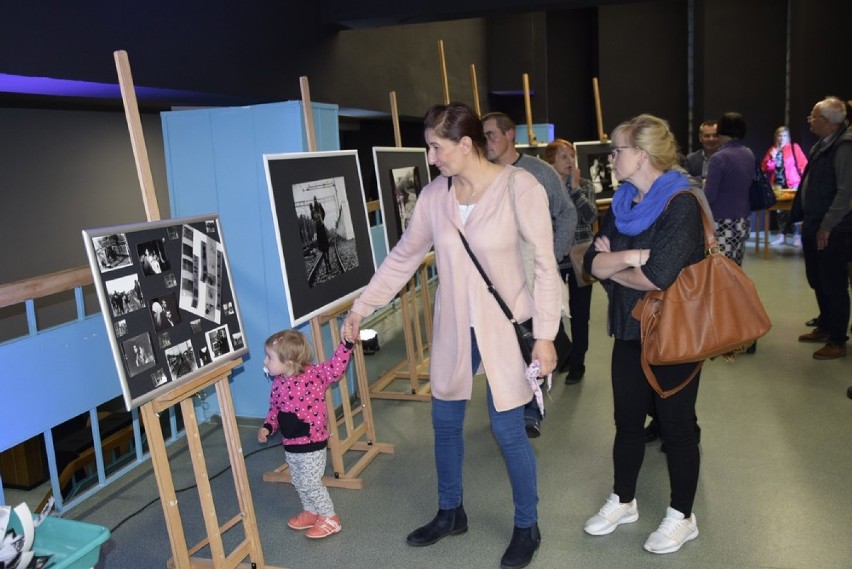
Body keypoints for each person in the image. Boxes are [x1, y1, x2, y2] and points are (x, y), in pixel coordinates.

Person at [341, 102, 561, 569]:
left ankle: (528, 525)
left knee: (507, 429)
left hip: (506, 326)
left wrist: (545, 335)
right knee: (445, 422)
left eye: (436, 148)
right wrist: (362, 306)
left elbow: (545, 266)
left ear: (466, 145)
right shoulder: (433, 197)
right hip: (454, 327)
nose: (432, 157)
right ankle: (451, 512)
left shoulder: (520, 188)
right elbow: (404, 256)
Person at [582, 114, 705, 554]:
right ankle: (624, 499)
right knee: (627, 422)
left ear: (642, 154)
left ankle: (682, 515)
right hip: (628, 331)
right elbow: (588, 265)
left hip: (674, 335)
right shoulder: (623, 205)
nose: (610, 158)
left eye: (617, 150)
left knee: (676, 428)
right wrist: (629, 256)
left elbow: (657, 276)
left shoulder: (682, 204)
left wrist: (616, 263)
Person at [481, 111, 577, 437]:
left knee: (531, 341)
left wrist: (553, 255)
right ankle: (506, 405)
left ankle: (530, 412)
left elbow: (566, 212)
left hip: (532, 280)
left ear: (510, 135)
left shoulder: (539, 172)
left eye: (491, 134)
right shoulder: (482, 173)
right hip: (495, 283)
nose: (486, 142)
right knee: (503, 346)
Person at [257, 329, 354, 539]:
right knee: (299, 481)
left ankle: (330, 517)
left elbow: (336, 368)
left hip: (312, 443)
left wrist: (345, 346)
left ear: (289, 362)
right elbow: (274, 410)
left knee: (310, 482)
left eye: (269, 357)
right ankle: (311, 511)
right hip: (291, 445)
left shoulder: (314, 375)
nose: (265, 361)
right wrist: (268, 427)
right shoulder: (278, 383)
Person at [794, 96, 852, 360]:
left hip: (834, 228)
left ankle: (838, 339)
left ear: (828, 122)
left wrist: (826, 225)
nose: (809, 120)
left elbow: (846, 193)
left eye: (813, 116)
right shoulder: (824, 144)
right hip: (816, 222)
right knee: (817, 278)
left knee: (833, 283)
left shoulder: (844, 147)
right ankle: (825, 325)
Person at [542, 138, 598, 383]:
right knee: (551, 312)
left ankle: (578, 363)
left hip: (580, 259)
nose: (570, 161)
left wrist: (574, 190)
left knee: (580, 313)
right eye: (563, 157)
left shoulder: (584, 185)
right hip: (554, 259)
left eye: (571, 156)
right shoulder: (543, 188)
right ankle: (564, 354)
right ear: (550, 162)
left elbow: (589, 217)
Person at [703, 112, 754, 267]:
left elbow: (709, 196)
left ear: (721, 132)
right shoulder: (748, 153)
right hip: (743, 220)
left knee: (720, 269)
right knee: (735, 267)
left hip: (722, 221)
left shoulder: (719, 158)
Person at [762, 126, 808, 246]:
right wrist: (772, 157)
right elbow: (766, 168)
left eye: (784, 136)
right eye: (779, 135)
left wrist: (805, 182)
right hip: (778, 186)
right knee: (780, 212)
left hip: (793, 184)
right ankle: (781, 235)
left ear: (788, 137)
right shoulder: (772, 149)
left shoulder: (794, 147)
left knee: (795, 211)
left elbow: (803, 165)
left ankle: (797, 236)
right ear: (776, 137)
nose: (782, 138)